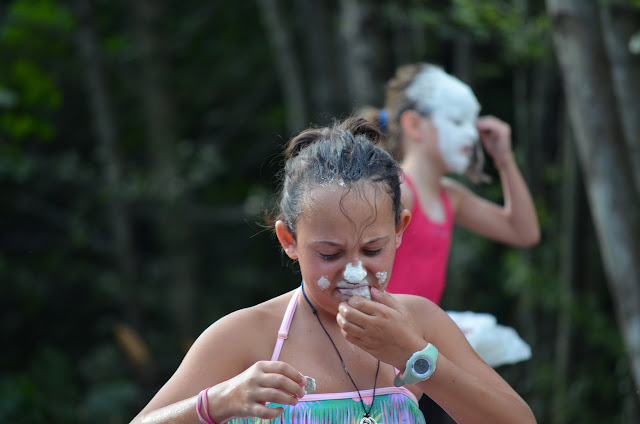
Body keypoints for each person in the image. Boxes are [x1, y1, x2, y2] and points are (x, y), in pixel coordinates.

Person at [129, 117, 536, 424]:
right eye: (329, 254)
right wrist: (216, 402)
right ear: (289, 240)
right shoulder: (245, 335)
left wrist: (412, 355)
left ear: (399, 232)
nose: (355, 272)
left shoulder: (420, 322)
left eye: (373, 249)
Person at [360, 63, 540, 305]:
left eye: (472, 124)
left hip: (415, 334)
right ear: (413, 125)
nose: (471, 135)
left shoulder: (450, 196)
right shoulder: (399, 193)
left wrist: (504, 159)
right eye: (457, 121)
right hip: (384, 334)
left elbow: (524, 232)